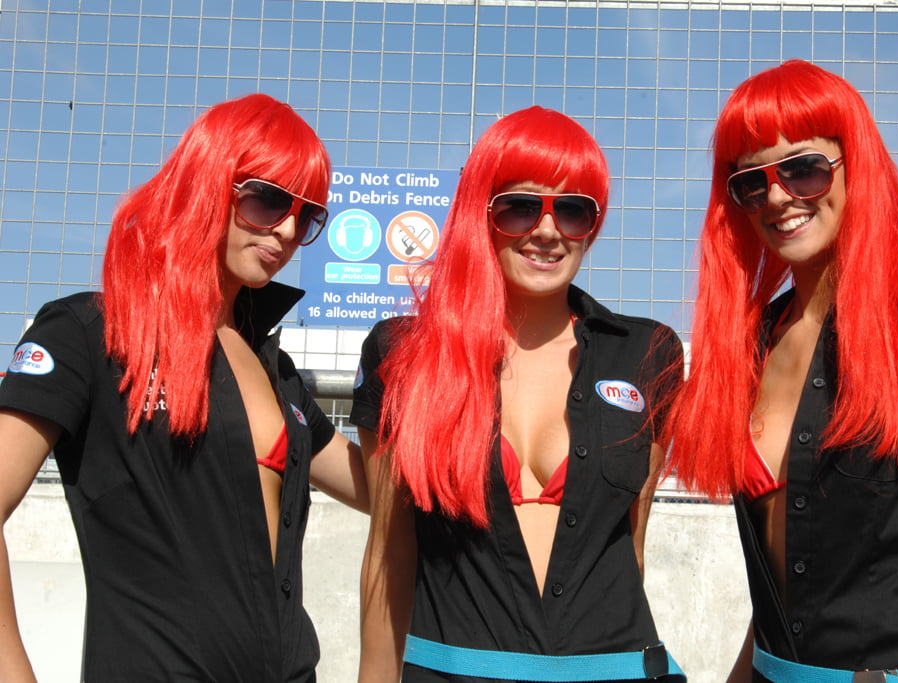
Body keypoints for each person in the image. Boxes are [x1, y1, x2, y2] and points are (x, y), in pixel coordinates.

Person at [664, 59, 898, 682]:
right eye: (751, 181)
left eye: (802, 168)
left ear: (854, 166)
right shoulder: (746, 349)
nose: (777, 196)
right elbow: (793, 584)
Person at [0, 93, 369, 682]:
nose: (289, 230)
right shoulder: (92, 333)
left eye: (308, 214)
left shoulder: (278, 375)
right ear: (207, 183)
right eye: (268, 200)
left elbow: (379, 486)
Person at [351, 105, 686, 682]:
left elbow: (632, 546)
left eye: (574, 211)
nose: (549, 231)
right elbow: (390, 552)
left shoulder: (647, 354)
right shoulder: (404, 353)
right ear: (480, 215)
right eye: (520, 206)